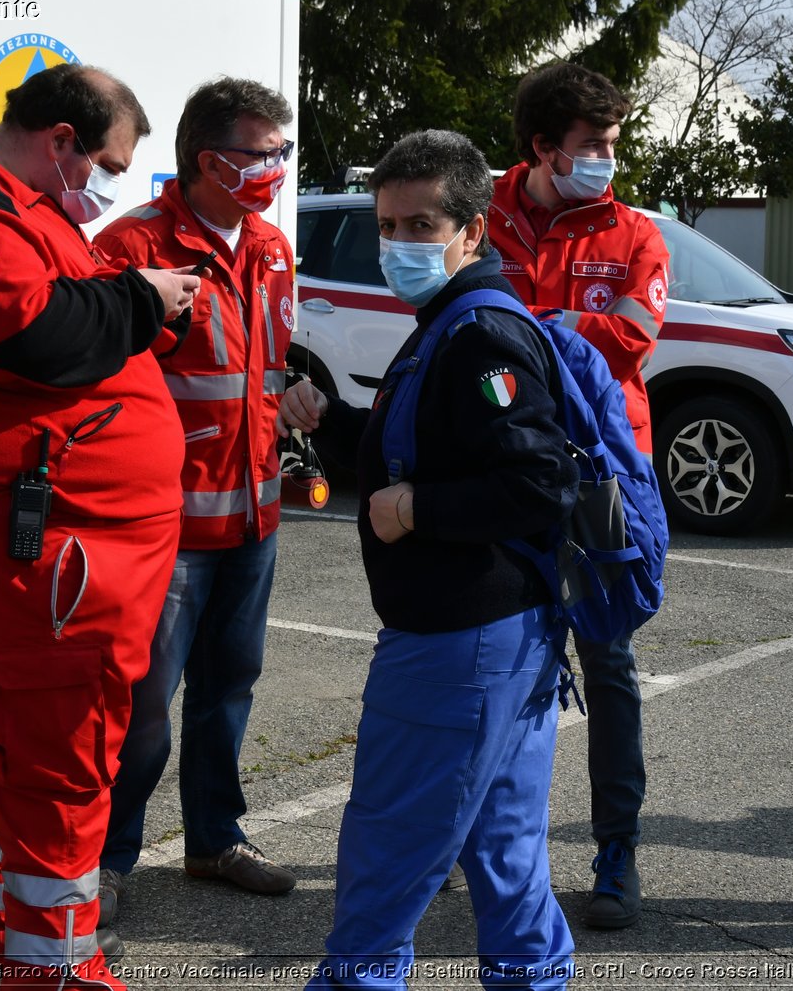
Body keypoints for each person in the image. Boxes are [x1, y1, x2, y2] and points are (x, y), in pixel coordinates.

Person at [0, 64, 203, 987]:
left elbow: (73, 319)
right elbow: (35, 337)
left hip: (47, 533)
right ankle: (57, 969)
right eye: (107, 162)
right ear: (60, 141)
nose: (109, 186)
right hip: (35, 542)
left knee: (1, 733)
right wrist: (142, 298)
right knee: (60, 748)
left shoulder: (21, 209)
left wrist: (142, 311)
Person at [283, 129, 578, 990]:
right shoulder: (448, 321)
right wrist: (331, 422)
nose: (398, 245)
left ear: (471, 232)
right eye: (387, 225)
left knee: (389, 848)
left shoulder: (479, 335)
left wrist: (416, 509)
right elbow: (420, 448)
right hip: (503, 636)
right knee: (505, 851)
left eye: (420, 226)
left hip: (459, 644)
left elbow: (536, 482)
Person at [90, 77, 299, 926]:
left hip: (254, 517)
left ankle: (215, 837)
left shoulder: (274, 247)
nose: (275, 169)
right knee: (144, 709)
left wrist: (296, 401)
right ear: (208, 159)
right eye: (261, 153)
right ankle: (104, 859)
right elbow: (97, 383)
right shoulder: (130, 247)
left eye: (280, 153)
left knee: (229, 686)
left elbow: (263, 370)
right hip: (166, 527)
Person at [487, 61, 668, 929]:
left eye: (612, 143)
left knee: (607, 658)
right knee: (484, 650)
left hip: (601, 467)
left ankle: (616, 850)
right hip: (497, 459)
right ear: (541, 149)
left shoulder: (635, 233)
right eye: (593, 145)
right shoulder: (479, 210)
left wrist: (545, 327)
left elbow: (634, 332)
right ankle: (469, 838)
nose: (607, 159)